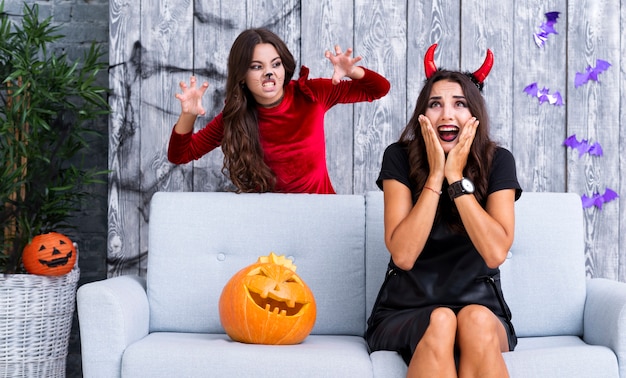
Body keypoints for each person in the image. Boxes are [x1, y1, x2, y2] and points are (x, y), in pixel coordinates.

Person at [366, 44, 521, 378]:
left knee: (474, 319)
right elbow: (404, 255)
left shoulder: (499, 161)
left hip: (482, 308)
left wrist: (455, 177)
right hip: (405, 311)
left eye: (459, 104)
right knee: (441, 319)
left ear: (474, 115)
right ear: (423, 115)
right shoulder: (398, 157)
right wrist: (436, 175)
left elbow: (495, 252)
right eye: (435, 104)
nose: (447, 115)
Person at [167, 28, 390, 194]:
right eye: (257, 66)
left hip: (322, 214)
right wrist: (188, 115)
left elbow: (379, 89)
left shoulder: (311, 93)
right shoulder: (235, 116)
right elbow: (180, 155)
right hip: (269, 221)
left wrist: (353, 71)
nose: (269, 73)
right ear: (242, 75)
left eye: (275, 64)